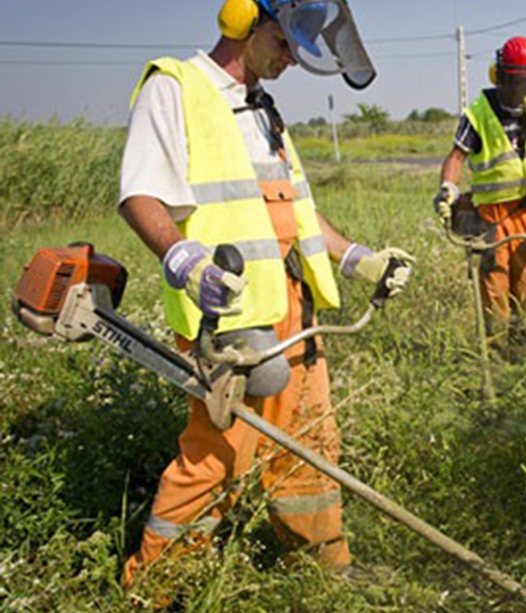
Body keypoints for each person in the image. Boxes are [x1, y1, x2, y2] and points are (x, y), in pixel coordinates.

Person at [117, 0, 411, 584]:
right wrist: (183, 257)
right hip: (232, 319)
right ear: (243, 20)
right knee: (219, 458)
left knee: (309, 444)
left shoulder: (262, 110)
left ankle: (325, 572)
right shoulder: (176, 88)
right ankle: (152, 588)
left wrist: (357, 258)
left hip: (293, 309)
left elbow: (298, 214)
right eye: (283, 43)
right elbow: (140, 195)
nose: (290, 61)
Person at [433, 36, 526, 351]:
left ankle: (525, 354)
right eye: (518, 80)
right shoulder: (478, 113)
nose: (524, 88)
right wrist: (448, 188)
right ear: (501, 76)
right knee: (495, 294)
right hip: (489, 220)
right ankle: (497, 356)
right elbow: (456, 158)